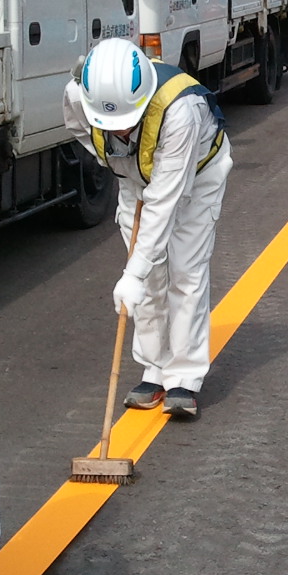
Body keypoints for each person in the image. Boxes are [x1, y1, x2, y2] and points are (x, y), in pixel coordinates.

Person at [63, 37, 232, 419]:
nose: (120, 133)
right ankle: (154, 369)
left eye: (127, 124)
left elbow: (165, 202)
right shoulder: (77, 96)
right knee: (150, 280)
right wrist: (125, 168)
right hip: (135, 177)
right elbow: (81, 133)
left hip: (196, 176)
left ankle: (184, 378)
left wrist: (132, 274)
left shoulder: (180, 111)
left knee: (185, 271)